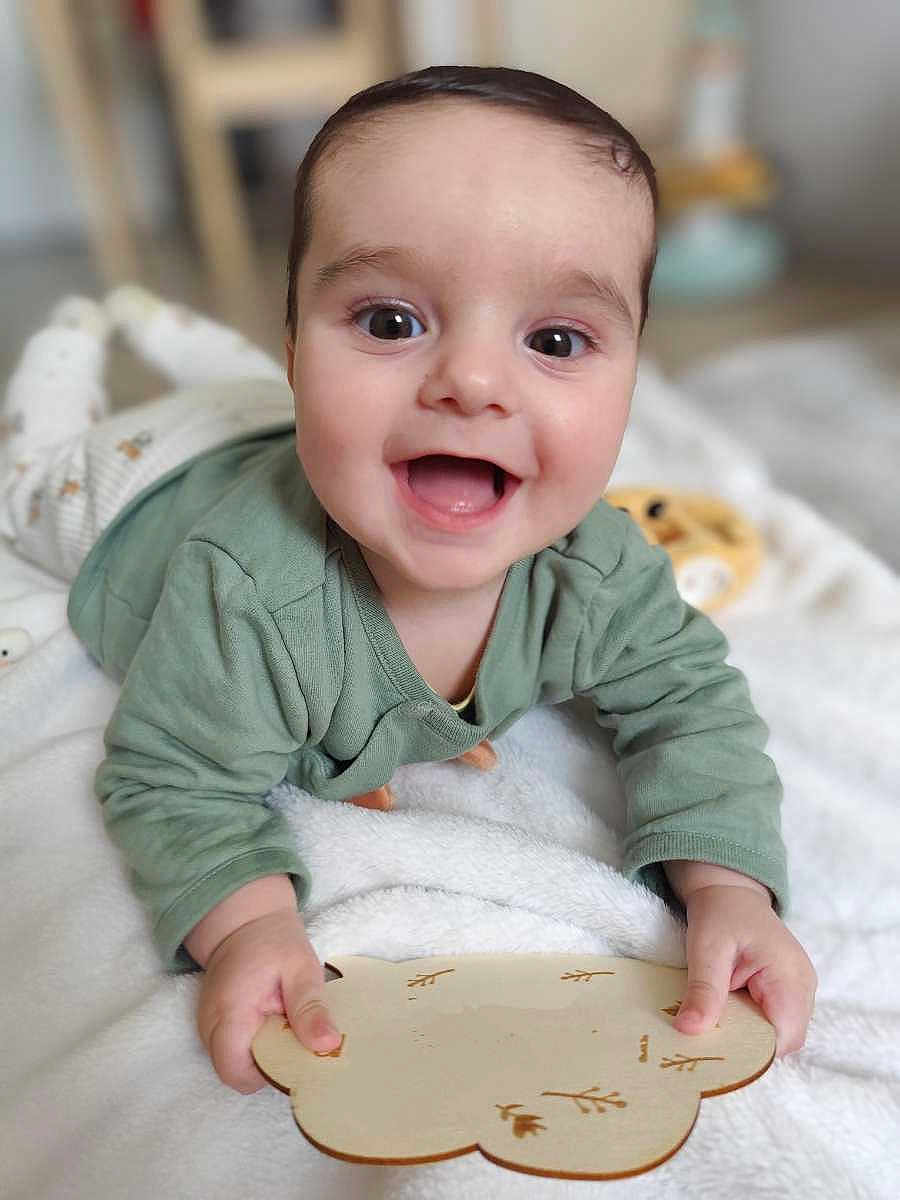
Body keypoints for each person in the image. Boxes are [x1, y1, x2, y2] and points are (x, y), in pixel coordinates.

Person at [1, 66, 815, 1095]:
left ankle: (192, 339)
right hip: (131, 490)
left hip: (283, 420)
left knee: (245, 397)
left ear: (632, 374)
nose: (472, 382)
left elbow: (692, 701)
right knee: (25, 474)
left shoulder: (596, 570)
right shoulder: (252, 591)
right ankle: (81, 334)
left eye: (555, 340)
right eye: (390, 322)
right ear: (305, 347)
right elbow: (173, 778)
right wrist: (250, 922)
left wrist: (727, 883)